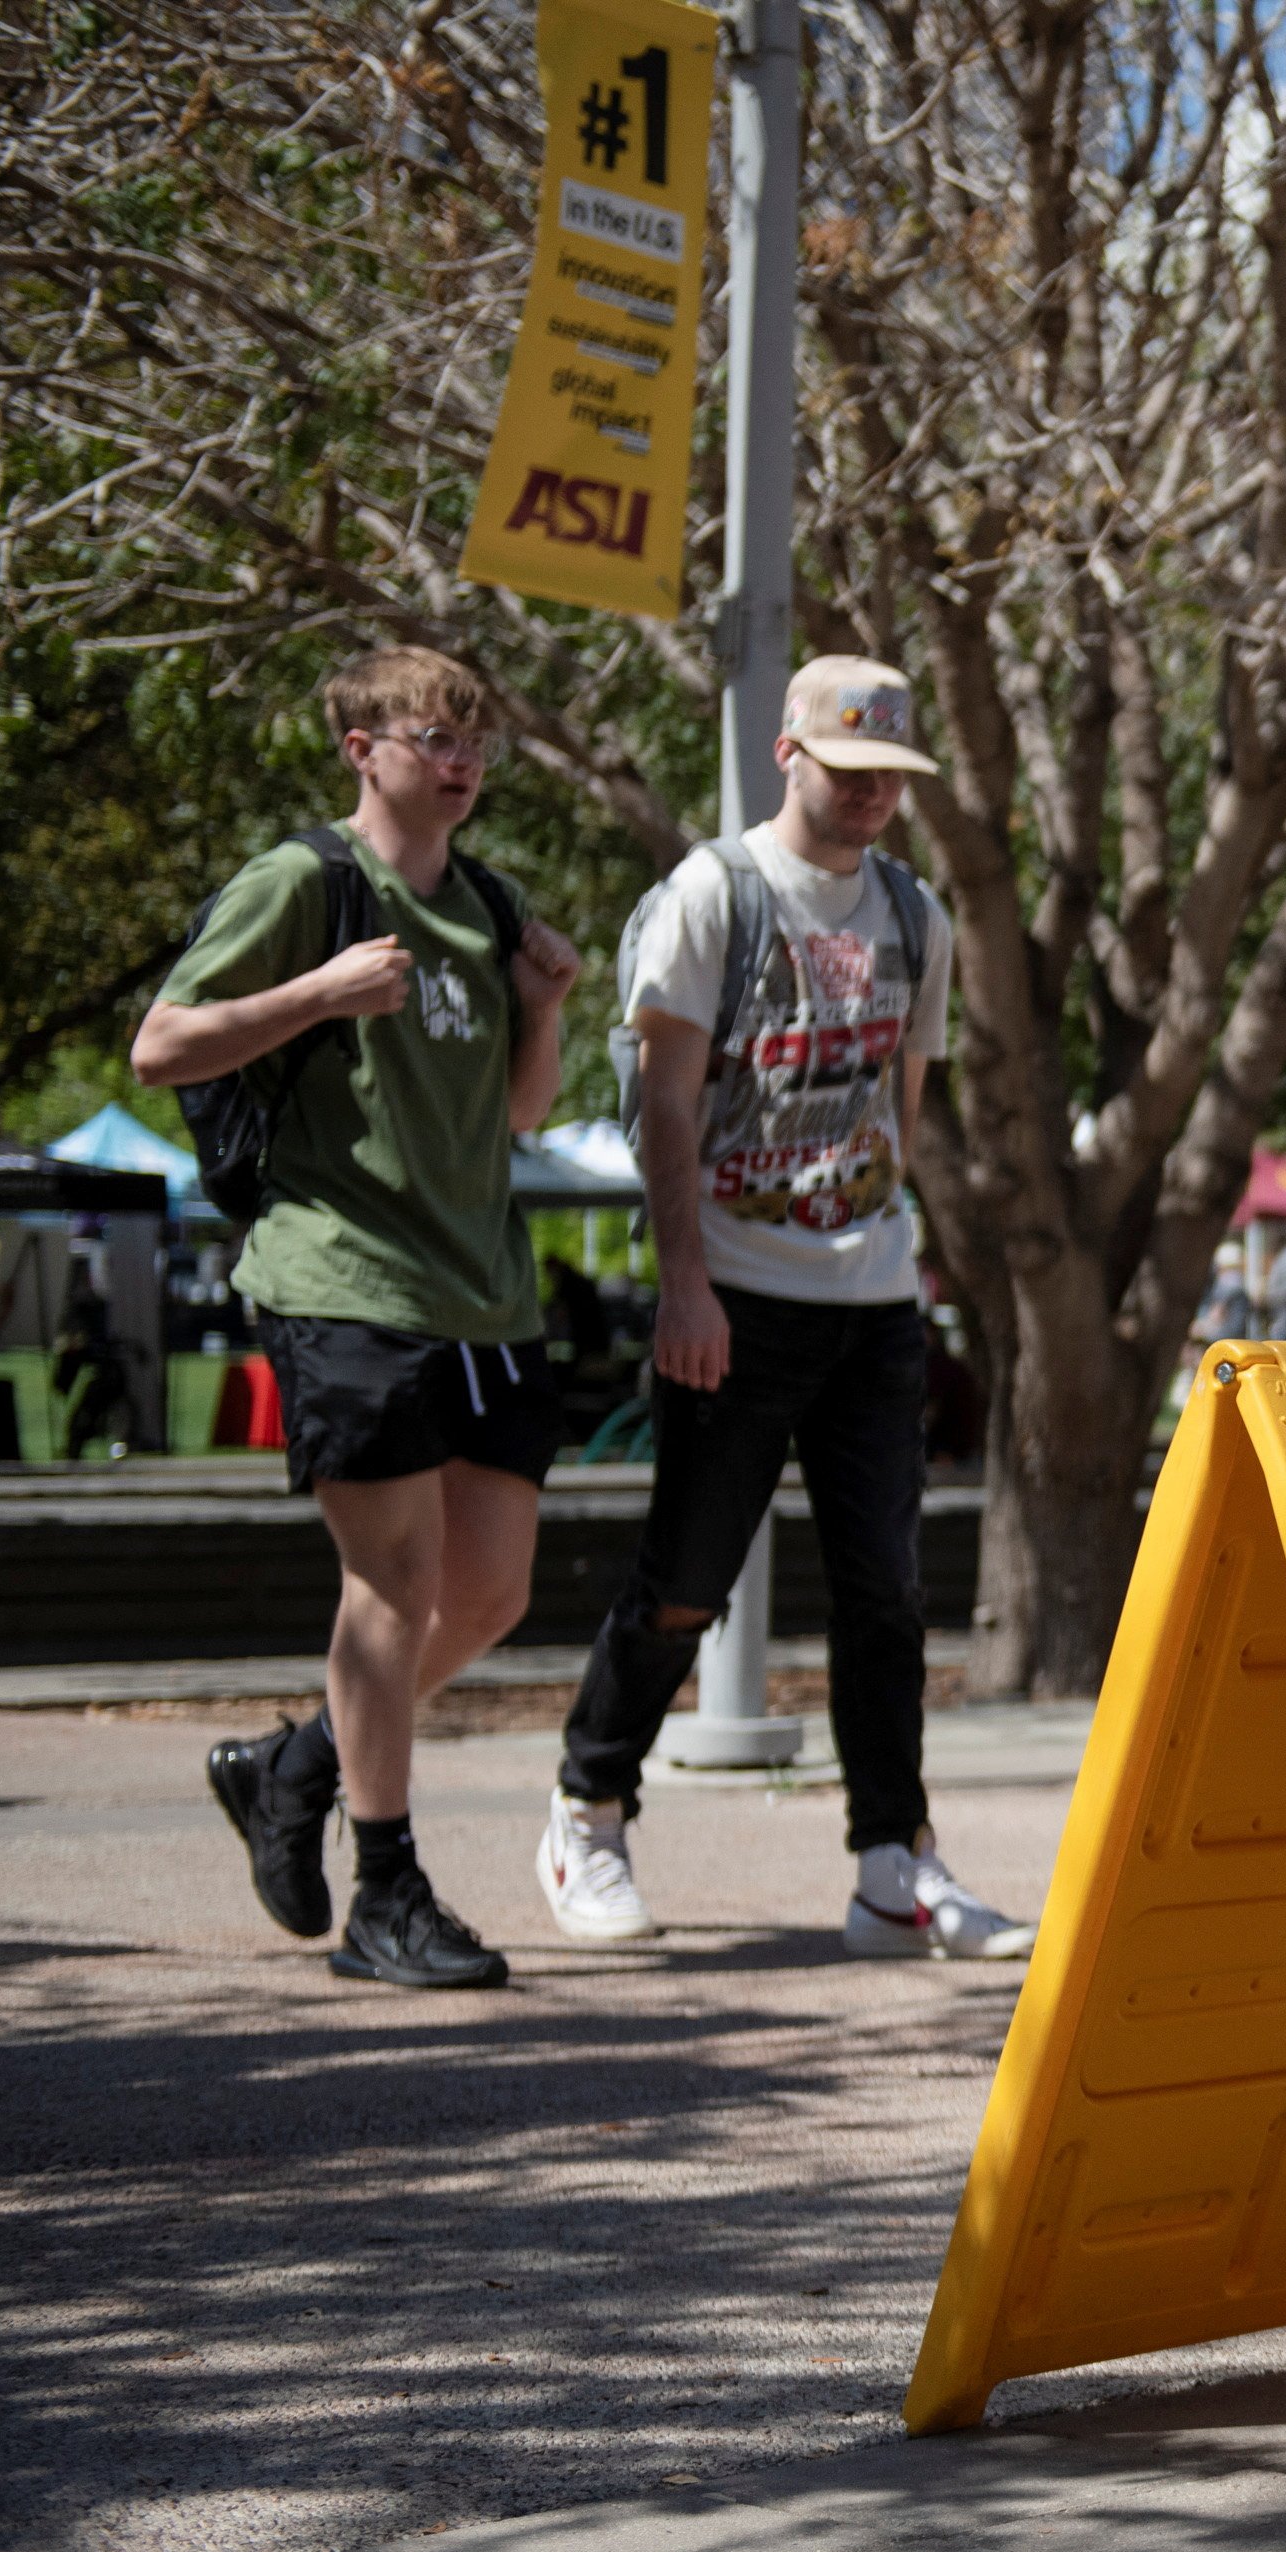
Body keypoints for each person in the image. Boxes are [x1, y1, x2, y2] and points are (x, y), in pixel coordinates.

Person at [532, 657, 1030, 1963]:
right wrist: (685, 1282)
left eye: (889, 777)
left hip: (869, 1297)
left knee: (887, 1594)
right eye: (847, 768)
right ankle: (589, 1808)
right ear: (787, 753)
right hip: (736, 1294)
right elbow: (666, 1106)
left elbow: (902, 1101)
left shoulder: (914, 915)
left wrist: (885, 1245)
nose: (869, 795)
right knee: (687, 1580)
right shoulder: (716, 895)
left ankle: (893, 1862)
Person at [145, 647, 584, 1990]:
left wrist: (545, 1009)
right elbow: (161, 1044)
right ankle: (384, 1895)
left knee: (490, 1592)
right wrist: (315, 993)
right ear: (360, 748)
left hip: (482, 1287)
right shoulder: (306, 882)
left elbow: (518, 1116)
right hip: (341, 1272)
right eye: (432, 738)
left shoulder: (490, 904)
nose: (460, 763)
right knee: (393, 1585)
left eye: (475, 743)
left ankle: (296, 1765)